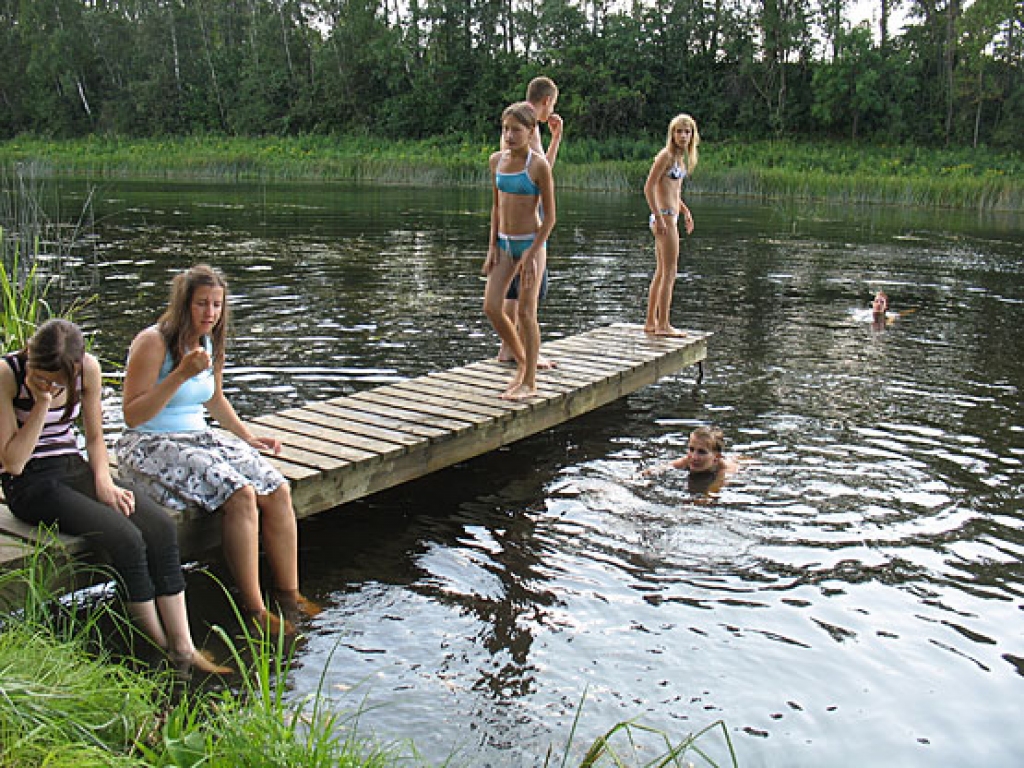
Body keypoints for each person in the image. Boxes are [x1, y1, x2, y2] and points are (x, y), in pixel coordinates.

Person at [0, 319, 230, 675]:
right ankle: (161, 648)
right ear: (30, 354)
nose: (51, 385)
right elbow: (12, 462)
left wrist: (104, 480)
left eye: (59, 381)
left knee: (160, 530)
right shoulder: (7, 373)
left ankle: (184, 643)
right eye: (44, 377)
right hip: (30, 483)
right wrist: (42, 402)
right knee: (125, 539)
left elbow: (93, 440)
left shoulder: (87, 368)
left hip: (73, 466)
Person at [116, 265, 319, 634]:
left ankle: (290, 594)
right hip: (150, 442)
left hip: (199, 437)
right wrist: (179, 373)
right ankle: (256, 608)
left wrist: (247, 437)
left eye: (217, 305)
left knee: (277, 489)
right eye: (201, 305)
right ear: (184, 304)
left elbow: (215, 398)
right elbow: (132, 415)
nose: (210, 313)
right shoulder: (153, 342)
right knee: (240, 495)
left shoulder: (210, 340)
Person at [483, 102, 557, 401]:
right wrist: (491, 248)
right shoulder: (496, 161)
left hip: (531, 244)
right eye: (506, 129)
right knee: (491, 306)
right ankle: (524, 361)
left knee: (527, 312)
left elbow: (550, 217)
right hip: (504, 244)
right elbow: (496, 207)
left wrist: (532, 253)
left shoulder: (538, 166)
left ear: (530, 131)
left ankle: (530, 381)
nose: (510, 135)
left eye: (516, 130)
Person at [497, 76, 563, 370]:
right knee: (530, 297)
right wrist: (557, 139)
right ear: (547, 101)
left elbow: (534, 167)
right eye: (553, 104)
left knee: (513, 292)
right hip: (527, 230)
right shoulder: (527, 124)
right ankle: (525, 356)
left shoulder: (515, 121)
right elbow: (540, 171)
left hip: (511, 231)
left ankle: (508, 349)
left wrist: (556, 140)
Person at [643, 113, 700, 337]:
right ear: (672, 134)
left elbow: (674, 192)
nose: (683, 136)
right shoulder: (665, 156)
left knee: (661, 271)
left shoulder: (680, 160)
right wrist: (658, 216)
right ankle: (663, 324)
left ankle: (651, 322)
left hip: (671, 215)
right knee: (670, 272)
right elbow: (649, 188)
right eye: (679, 131)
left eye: (687, 132)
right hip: (664, 217)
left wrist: (686, 212)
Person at [643, 426, 739, 495]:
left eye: (701, 452)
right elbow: (660, 468)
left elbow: (714, 490)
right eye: (691, 449)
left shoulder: (725, 469)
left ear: (716, 457)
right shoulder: (687, 459)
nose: (694, 457)